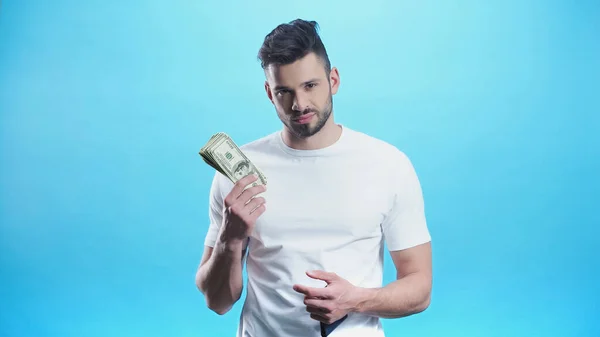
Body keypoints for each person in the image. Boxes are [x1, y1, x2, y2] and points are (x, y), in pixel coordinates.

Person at [195, 19, 432, 337]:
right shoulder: (237, 174)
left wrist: (356, 300)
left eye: (310, 86)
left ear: (333, 80)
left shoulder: (389, 164)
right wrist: (230, 238)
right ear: (269, 93)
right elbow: (218, 301)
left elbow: (420, 287)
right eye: (284, 91)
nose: (299, 104)